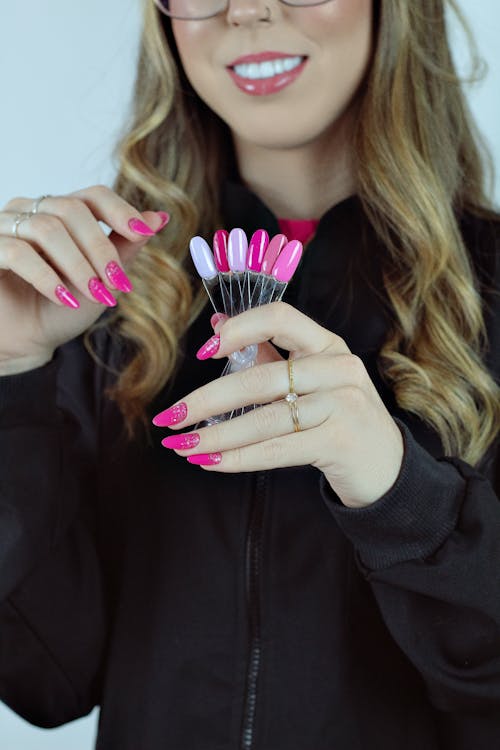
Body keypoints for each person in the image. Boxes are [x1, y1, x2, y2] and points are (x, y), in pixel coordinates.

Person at [0, 0, 499, 747]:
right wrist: (12, 374)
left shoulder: (485, 292)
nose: (248, 10)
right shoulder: (102, 301)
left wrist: (401, 494)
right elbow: (51, 680)